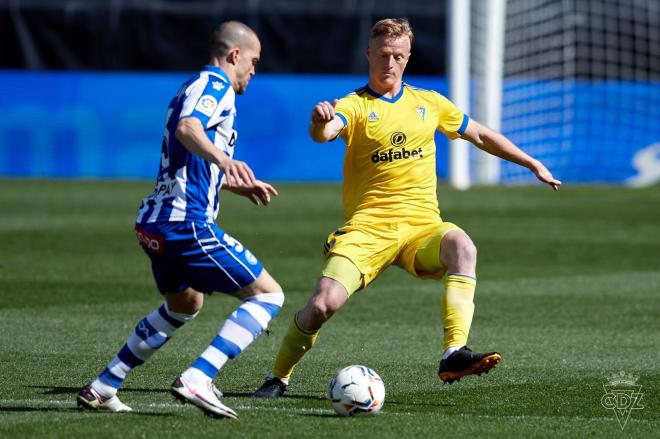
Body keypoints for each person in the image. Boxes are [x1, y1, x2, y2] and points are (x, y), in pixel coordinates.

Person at [253, 18, 561, 398]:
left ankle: (453, 353)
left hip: (421, 229)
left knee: (463, 247)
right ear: (369, 54)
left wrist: (531, 163)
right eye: (383, 55)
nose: (390, 63)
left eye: (398, 56)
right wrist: (320, 122)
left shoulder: (429, 103)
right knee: (322, 304)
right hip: (369, 229)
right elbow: (326, 133)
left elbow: (480, 134)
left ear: (408, 57)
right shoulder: (355, 105)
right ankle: (278, 377)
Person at [77, 21, 283, 419]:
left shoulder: (191, 86)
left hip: (154, 222)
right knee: (268, 295)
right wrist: (224, 159)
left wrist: (235, 182)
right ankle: (199, 377)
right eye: (253, 61)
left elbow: (189, 159)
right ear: (235, 55)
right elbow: (189, 128)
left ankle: (104, 385)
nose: (254, 70)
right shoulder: (215, 86)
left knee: (185, 303)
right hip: (184, 223)